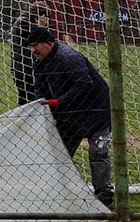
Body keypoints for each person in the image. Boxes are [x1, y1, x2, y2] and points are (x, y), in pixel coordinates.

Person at [29, 24, 113, 208]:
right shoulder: (41, 61)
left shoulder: (70, 58)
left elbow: (84, 84)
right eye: (30, 46)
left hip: (97, 111)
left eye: (35, 45)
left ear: (48, 43)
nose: (33, 50)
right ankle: (60, 192)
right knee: (61, 153)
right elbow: (40, 87)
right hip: (70, 114)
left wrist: (58, 102)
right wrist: (39, 104)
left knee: (98, 153)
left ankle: (104, 197)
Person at [8, 2, 51, 106]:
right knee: (30, 98)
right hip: (25, 66)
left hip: (28, 64)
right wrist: (41, 27)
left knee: (32, 97)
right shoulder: (23, 22)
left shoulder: (26, 21)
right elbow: (40, 39)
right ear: (41, 15)